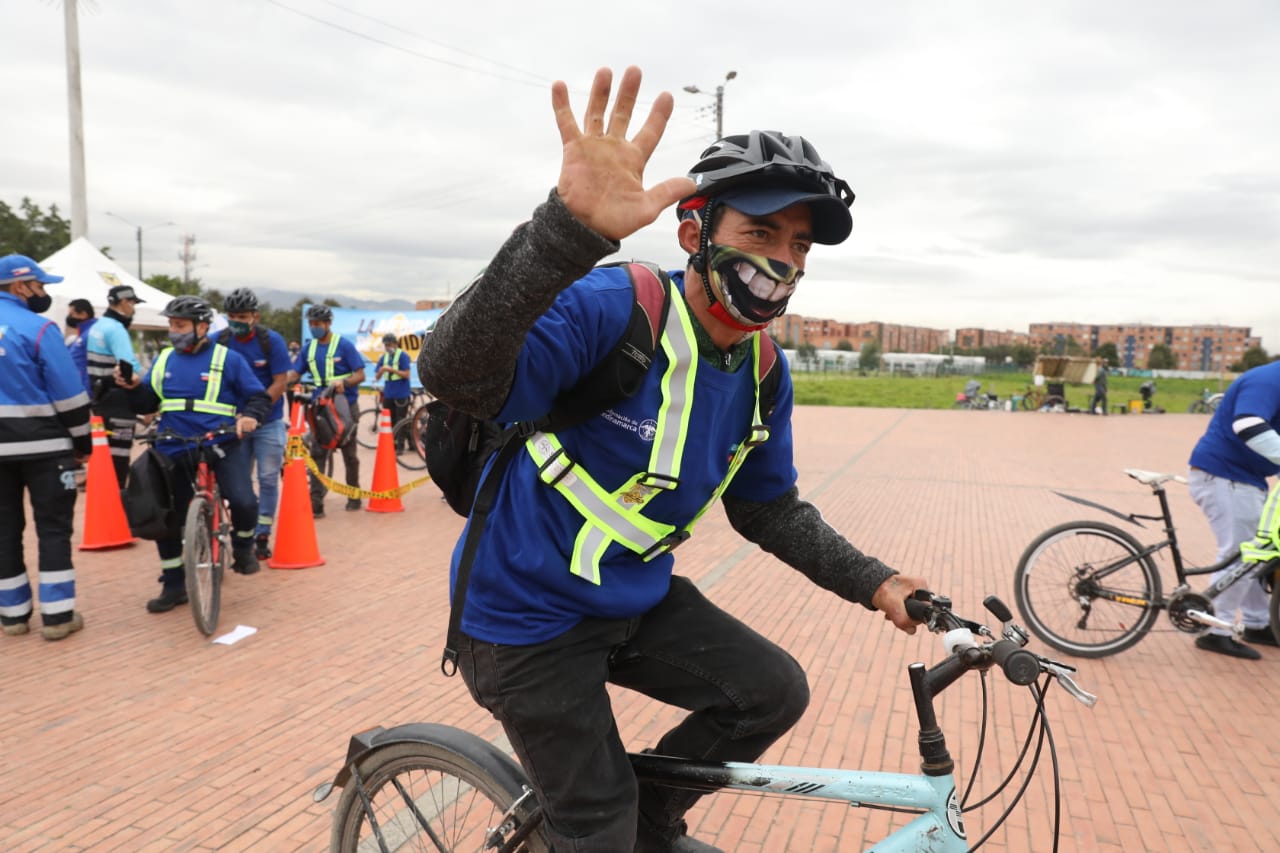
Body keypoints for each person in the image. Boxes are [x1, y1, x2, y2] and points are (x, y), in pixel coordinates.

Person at [418, 67, 928, 853]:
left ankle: (646, 823)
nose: (782, 262)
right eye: (760, 234)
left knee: (770, 693)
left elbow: (767, 507)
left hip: (628, 601)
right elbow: (455, 372)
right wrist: (566, 230)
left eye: (799, 244)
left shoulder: (762, 370)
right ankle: (608, 826)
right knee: (594, 828)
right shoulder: (615, 307)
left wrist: (875, 581)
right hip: (522, 617)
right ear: (695, 233)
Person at [118, 296, 271, 613]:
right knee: (165, 515)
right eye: (172, 325)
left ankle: (243, 546)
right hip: (173, 444)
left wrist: (249, 416)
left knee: (243, 500)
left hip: (222, 442)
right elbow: (148, 403)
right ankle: (174, 584)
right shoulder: (163, 360)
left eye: (180, 325)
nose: (174, 331)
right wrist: (133, 387)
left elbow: (257, 396)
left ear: (202, 327)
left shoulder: (229, 360)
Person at [0, 255, 91, 641]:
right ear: (21, 286)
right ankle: (57, 617)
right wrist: (82, 443)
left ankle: (13, 616)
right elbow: (70, 394)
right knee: (53, 530)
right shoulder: (39, 328)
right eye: (41, 286)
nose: (44, 293)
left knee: (3, 532)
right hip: (46, 447)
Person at [1187, 360, 1280, 659]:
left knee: (1256, 553)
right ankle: (1214, 630)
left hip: (1242, 478)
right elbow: (1247, 424)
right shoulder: (1269, 379)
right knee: (1241, 553)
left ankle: (1257, 623)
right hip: (1225, 475)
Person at [219, 288, 292, 559]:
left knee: (268, 478)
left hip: (268, 422)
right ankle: (242, 530)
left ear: (255, 316)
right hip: (231, 422)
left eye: (242, 316)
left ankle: (262, 532)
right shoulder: (220, 341)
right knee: (239, 481)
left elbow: (280, 382)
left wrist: (256, 412)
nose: (236, 320)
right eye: (232, 316)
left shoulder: (271, 341)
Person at [294, 304, 366, 516]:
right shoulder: (308, 349)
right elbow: (294, 373)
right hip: (321, 410)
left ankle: (353, 496)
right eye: (311, 324)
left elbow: (360, 375)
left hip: (345, 407)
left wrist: (345, 382)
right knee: (318, 453)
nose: (314, 327)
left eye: (317, 324)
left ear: (328, 324)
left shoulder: (343, 345)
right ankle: (316, 503)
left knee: (349, 454)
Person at [86, 284, 145, 485]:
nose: (134, 309)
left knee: (103, 456)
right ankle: (117, 506)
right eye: (133, 303)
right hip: (119, 402)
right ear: (123, 302)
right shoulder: (116, 329)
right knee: (118, 461)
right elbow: (129, 366)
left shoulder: (97, 326)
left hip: (101, 399)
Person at [374, 332, 412, 450]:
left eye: (390, 344)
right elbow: (377, 376)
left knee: (401, 420)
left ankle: (400, 446)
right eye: (386, 345)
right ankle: (393, 444)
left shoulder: (402, 356)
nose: (388, 347)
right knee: (390, 420)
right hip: (388, 393)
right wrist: (381, 370)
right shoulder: (383, 357)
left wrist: (392, 370)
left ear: (396, 344)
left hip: (401, 393)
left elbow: (406, 374)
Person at [65, 298, 97, 396]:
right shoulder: (82, 335)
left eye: (72, 314)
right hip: (79, 388)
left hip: (87, 391)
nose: (69, 317)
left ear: (83, 314)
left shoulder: (92, 334)